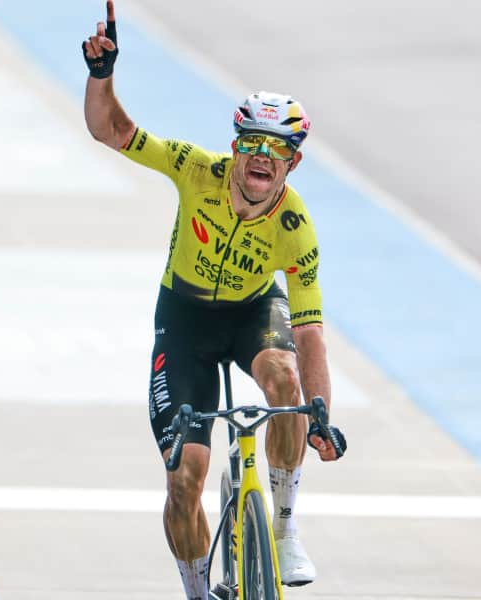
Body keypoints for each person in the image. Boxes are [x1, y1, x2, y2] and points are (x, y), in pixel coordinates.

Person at [82, 2, 347, 597]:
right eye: (253, 143)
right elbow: (111, 131)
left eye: (277, 148)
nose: (262, 156)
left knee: (286, 382)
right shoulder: (196, 170)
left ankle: (283, 528)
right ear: (235, 145)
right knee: (185, 480)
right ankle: (198, 592)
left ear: (294, 162)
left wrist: (321, 416)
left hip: (252, 315)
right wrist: (102, 76)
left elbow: (309, 332)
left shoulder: (296, 228)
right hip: (186, 323)